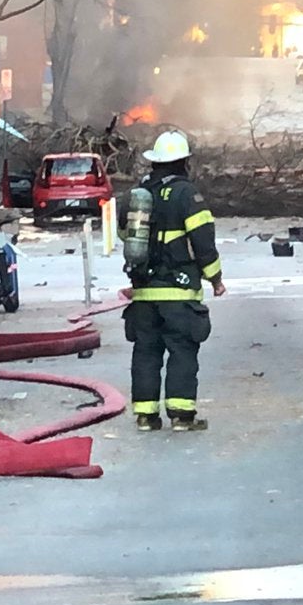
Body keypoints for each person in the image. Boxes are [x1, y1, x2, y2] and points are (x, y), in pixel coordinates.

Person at [121, 129, 226, 432]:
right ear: (183, 162)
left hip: (144, 292)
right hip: (179, 293)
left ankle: (145, 416)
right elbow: (203, 241)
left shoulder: (139, 194)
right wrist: (215, 278)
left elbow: (126, 235)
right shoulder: (187, 195)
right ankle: (181, 417)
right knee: (181, 351)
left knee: (146, 352)